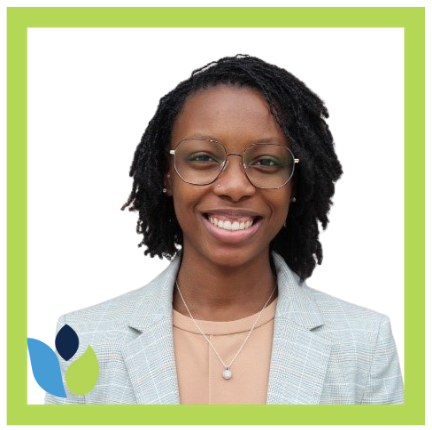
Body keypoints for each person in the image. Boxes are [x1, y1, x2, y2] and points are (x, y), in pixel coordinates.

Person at [46, 55, 404, 405]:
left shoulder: (364, 344)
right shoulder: (82, 341)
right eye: (203, 157)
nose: (235, 186)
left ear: (296, 183)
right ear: (167, 174)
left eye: (266, 161)